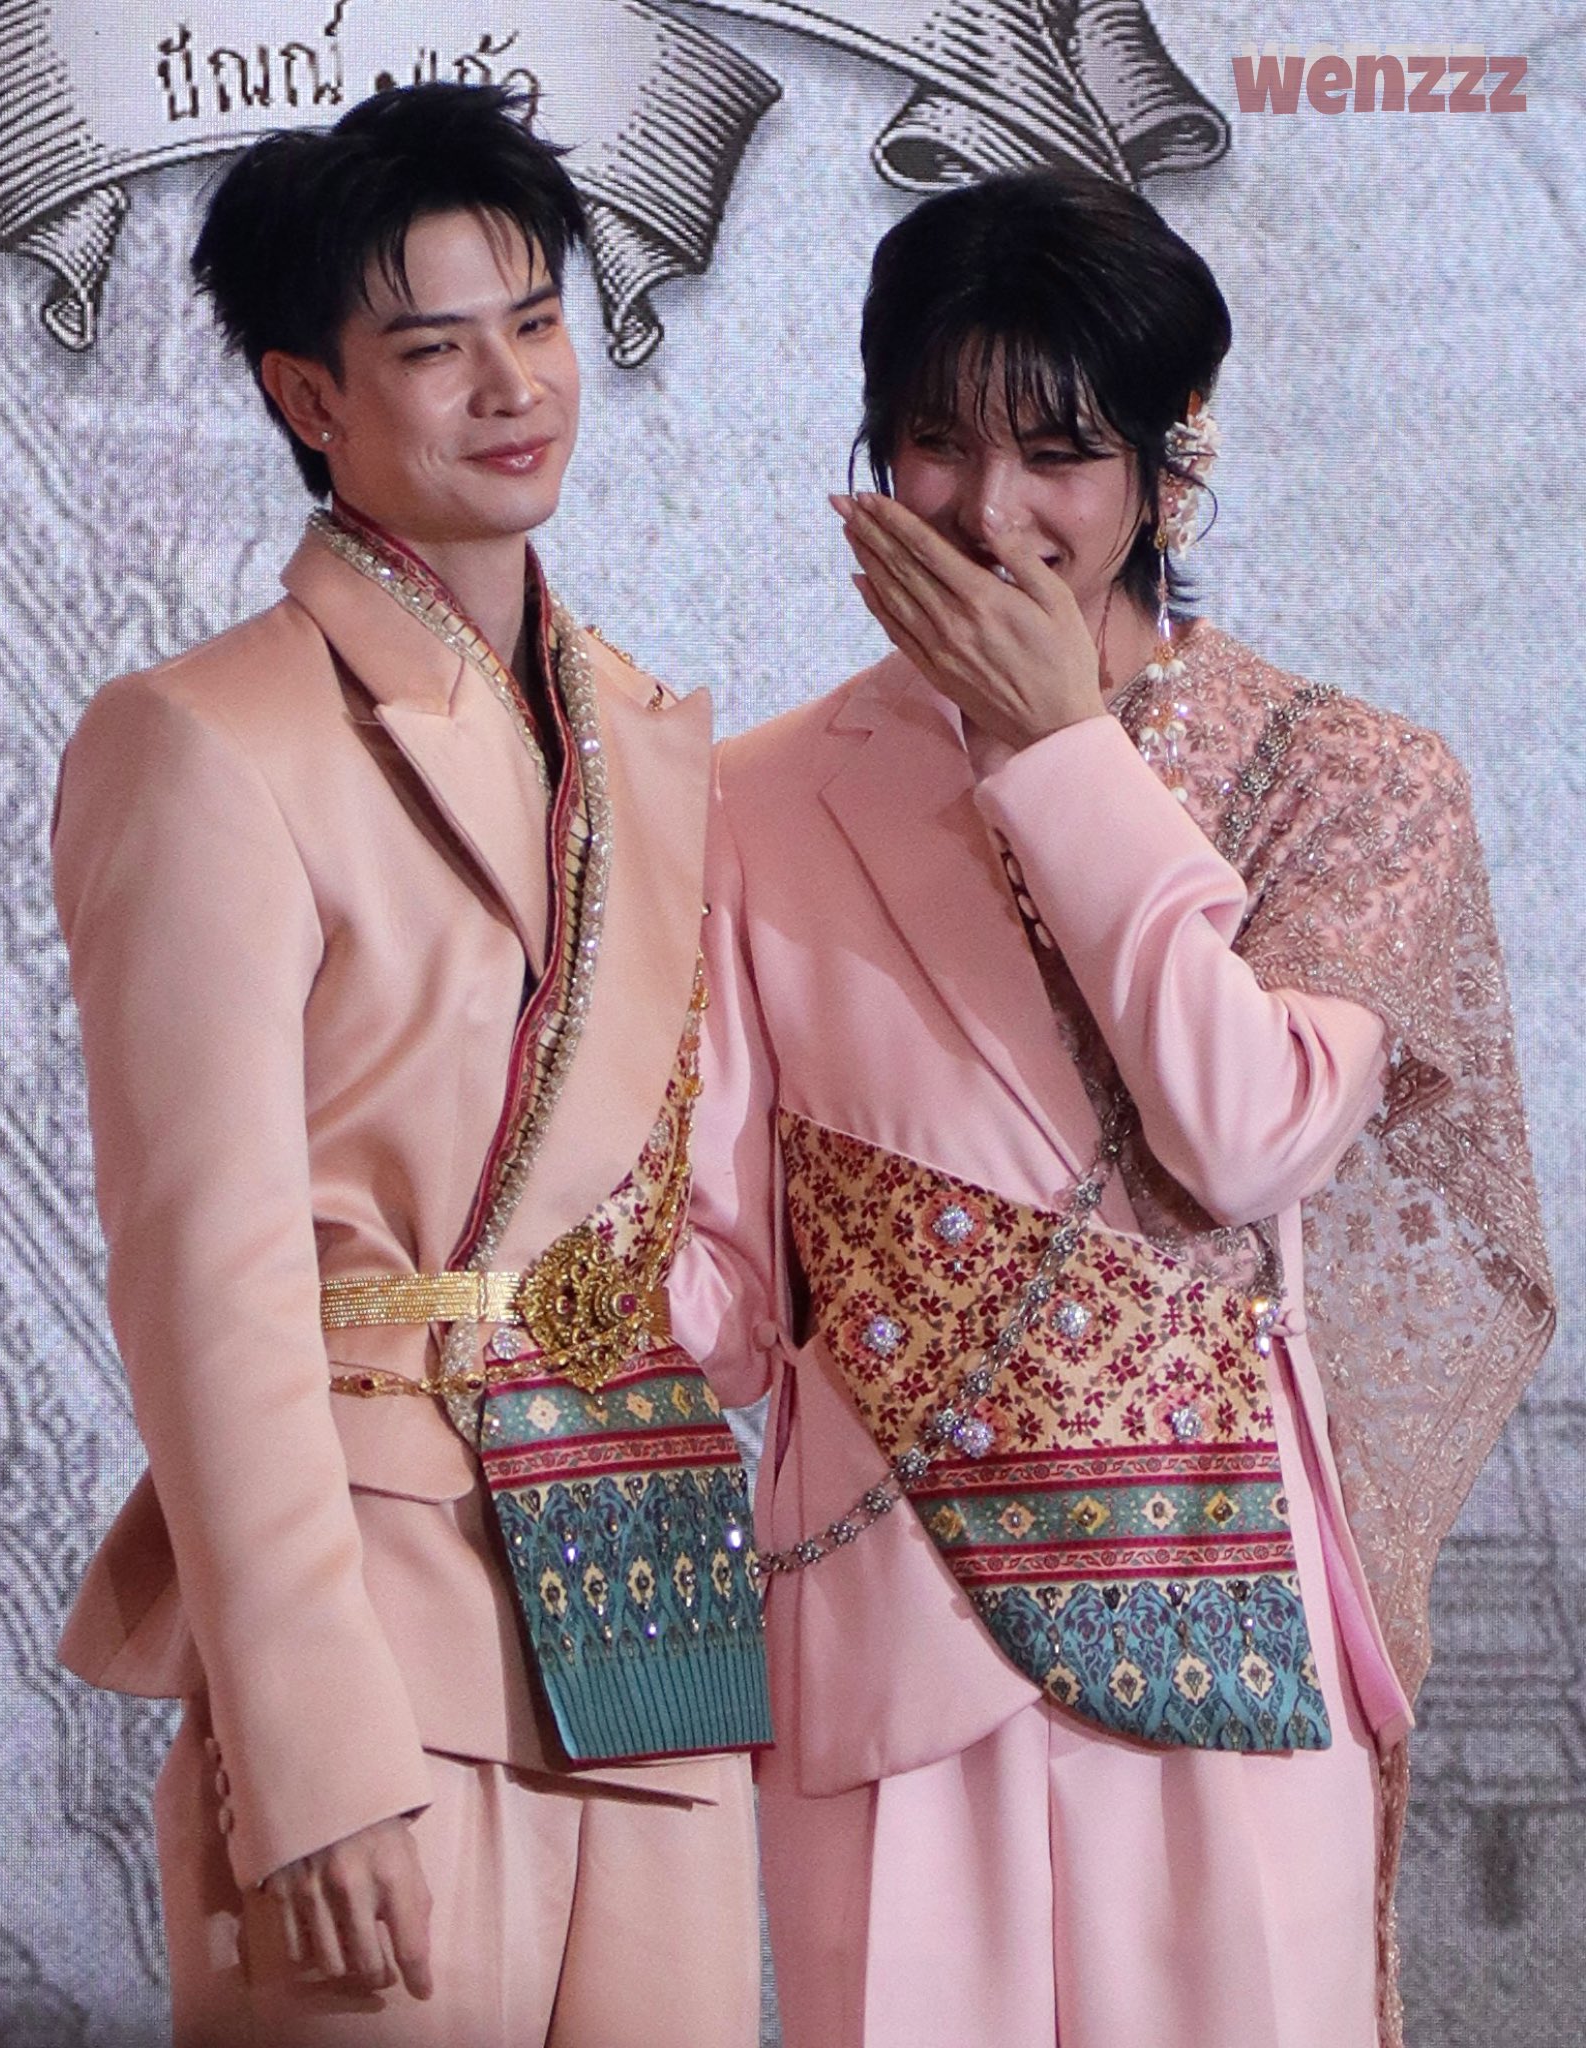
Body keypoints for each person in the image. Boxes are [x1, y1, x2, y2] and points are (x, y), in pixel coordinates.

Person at [680, 169, 1553, 2048]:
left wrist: (1057, 748)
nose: (991, 514)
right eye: (937, 442)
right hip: (891, 1634)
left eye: (1062, 453)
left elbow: (1244, 1135)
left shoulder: (1353, 783)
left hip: (1227, 1606)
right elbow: (723, 1295)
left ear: (1172, 463)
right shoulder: (752, 800)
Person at [51, 83, 769, 2048]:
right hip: (378, 1624)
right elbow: (206, 1280)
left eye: (534, 321)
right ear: (309, 396)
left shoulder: (644, 733)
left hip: (647, 1599)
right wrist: (305, 1747)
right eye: (435, 347)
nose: (511, 385)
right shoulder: (204, 741)